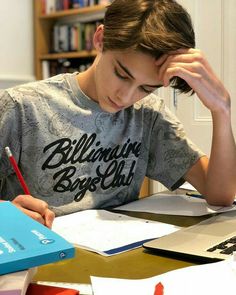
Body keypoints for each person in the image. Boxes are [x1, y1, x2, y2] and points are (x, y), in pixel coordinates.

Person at [0, 0, 235, 228]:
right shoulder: (21, 105)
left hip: (115, 255)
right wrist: (5, 213)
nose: (126, 97)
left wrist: (221, 111)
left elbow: (220, 196)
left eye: (146, 88)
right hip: (38, 252)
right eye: (122, 74)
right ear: (101, 39)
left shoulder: (148, 115)